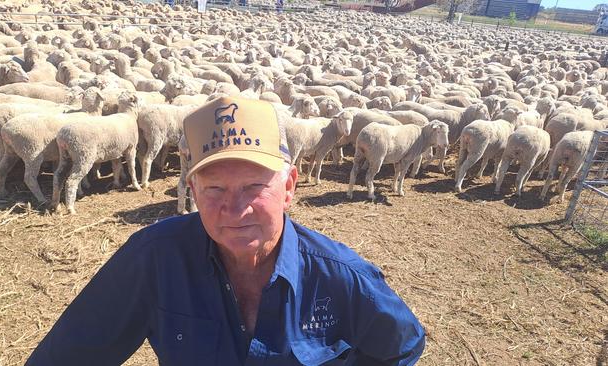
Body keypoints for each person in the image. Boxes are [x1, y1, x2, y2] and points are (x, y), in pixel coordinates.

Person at [26, 96, 425, 365]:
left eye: (254, 186)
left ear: (288, 188)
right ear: (192, 189)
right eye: (214, 188)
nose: (235, 209)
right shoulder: (154, 258)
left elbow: (404, 345)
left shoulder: (339, 277)